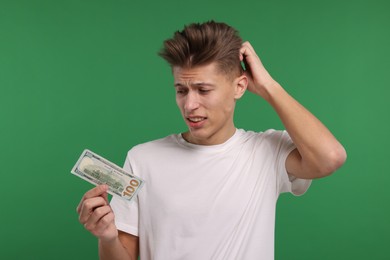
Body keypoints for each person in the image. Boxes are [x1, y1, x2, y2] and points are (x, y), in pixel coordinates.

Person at [76, 21, 346, 260]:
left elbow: (330, 157)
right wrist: (107, 237)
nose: (189, 104)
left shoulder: (267, 152)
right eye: (181, 90)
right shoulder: (142, 159)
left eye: (203, 90)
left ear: (239, 87)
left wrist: (268, 86)